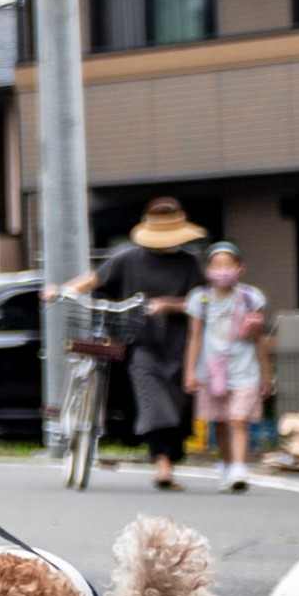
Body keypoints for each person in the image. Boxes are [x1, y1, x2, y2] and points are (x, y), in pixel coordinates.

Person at [88, 198, 208, 489]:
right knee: (153, 403)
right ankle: (162, 466)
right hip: (142, 343)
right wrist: (61, 290)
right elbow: (93, 280)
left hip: (183, 345)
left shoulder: (189, 263)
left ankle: (169, 460)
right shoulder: (127, 259)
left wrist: (169, 305)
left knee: (179, 406)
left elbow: (203, 301)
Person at [186, 232, 270, 494]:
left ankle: (239, 469)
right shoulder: (200, 299)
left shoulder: (250, 298)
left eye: (228, 265)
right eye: (217, 265)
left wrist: (267, 374)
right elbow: (195, 337)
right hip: (212, 370)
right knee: (220, 421)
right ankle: (226, 464)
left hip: (245, 369)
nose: (223, 271)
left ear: (240, 268)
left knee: (238, 419)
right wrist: (190, 371)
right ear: (208, 269)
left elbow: (260, 340)